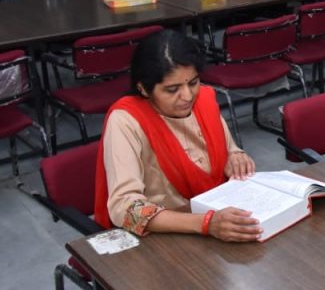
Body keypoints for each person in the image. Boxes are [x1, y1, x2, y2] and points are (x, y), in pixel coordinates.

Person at [94, 30, 262, 242]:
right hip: (164, 235)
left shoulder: (204, 99)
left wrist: (236, 155)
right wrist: (205, 223)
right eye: (172, 89)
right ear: (144, 89)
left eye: (193, 83)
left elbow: (228, 149)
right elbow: (125, 208)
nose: (187, 96)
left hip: (216, 219)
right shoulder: (126, 120)